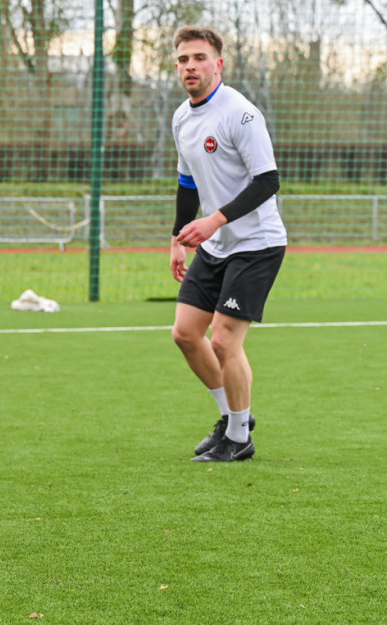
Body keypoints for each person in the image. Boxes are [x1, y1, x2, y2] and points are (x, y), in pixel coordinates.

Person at [168, 26, 287, 463]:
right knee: (185, 334)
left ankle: (240, 438)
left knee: (222, 341)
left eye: (199, 58)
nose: (190, 66)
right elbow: (185, 181)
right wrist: (179, 238)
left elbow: (268, 181)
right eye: (183, 59)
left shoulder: (241, 114)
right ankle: (232, 419)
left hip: (257, 244)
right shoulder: (182, 117)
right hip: (214, 246)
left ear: (218, 64)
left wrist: (213, 220)